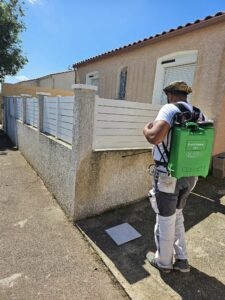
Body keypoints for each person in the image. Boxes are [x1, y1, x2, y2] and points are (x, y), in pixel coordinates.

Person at [143, 81, 205, 273]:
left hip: (168, 176)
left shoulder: (169, 109)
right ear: (185, 95)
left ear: (170, 95)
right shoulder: (198, 113)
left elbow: (155, 137)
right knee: (178, 215)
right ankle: (182, 260)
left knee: (165, 219)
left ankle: (163, 263)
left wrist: (146, 129)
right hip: (190, 174)